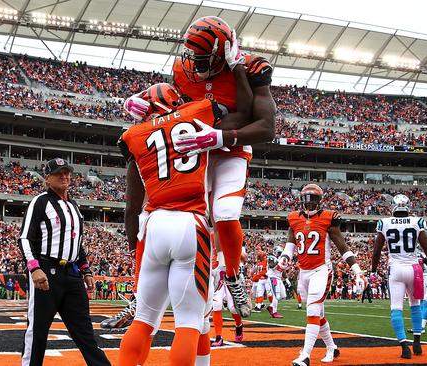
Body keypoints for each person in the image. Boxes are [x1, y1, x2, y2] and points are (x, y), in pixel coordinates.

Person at [109, 15, 277, 328]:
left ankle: (232, 276)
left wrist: (220, 135)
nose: (194, 65)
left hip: (230, 148)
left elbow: (263, 125)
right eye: (192, 57)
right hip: (195, 151)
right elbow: (174, 108)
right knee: (151, 216)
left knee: (225, 212)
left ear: (224, 52)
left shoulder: (253, 69)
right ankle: (138, 295)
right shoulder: (182, 71)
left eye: (203, 59)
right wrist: (146, 98)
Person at [118, 66, 254, 365]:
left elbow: (131, 208)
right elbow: (243, 112)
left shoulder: (133, 134)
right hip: (189, 222)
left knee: (143, 319)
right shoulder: (197, 112)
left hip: (153, 225)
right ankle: (233, 276)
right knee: (189, 322)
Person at [18, 158, 110, 366]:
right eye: (59, 173)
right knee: (37, 330)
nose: (64, 176)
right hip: (46, 272)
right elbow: (25, 237)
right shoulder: (40, 201)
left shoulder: (74, 205)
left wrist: (86, 270)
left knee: (85, 331)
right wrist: (34, 268)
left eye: (67, 172)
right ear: (47, 178)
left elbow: (76, 242)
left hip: (72, 273)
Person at [280, 184, 363, 365]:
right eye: (306, 199)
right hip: (303, 272)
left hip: (321, 270)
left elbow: (342, 246)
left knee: (312, 310)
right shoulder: (293, 218)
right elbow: (290, 243)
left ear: (319, 200)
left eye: (313, 199)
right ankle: (332, 347)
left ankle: (305, 355)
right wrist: (285, 256)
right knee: (318, 314)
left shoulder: (327, 218)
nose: (309, 204)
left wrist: (356, 270)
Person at [371, 194, 427, 359]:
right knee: (415, 305)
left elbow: (376, 252)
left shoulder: (385, 222)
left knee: (396, 307)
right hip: (414, 268)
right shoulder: (417, 221)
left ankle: (404, 346)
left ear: (393, 206)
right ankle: (417, 342)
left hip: (395, 269)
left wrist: (373, 270)